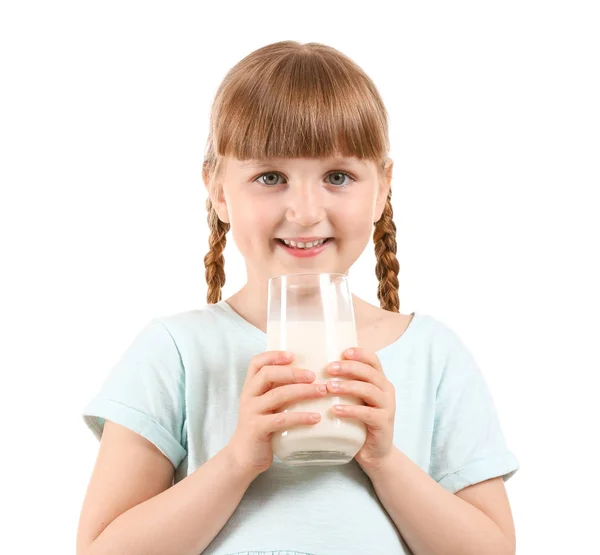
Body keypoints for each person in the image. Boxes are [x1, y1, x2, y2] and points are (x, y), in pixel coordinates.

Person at [77, 41, 520, 555]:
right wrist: (238, 459)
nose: (306, 211)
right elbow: (102, 549)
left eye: (338, 177)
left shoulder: (432, 354)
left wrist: (383, 459)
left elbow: (491, 549)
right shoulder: (175, 350)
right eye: (271, 177)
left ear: (382, 189)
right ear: (219, 191)